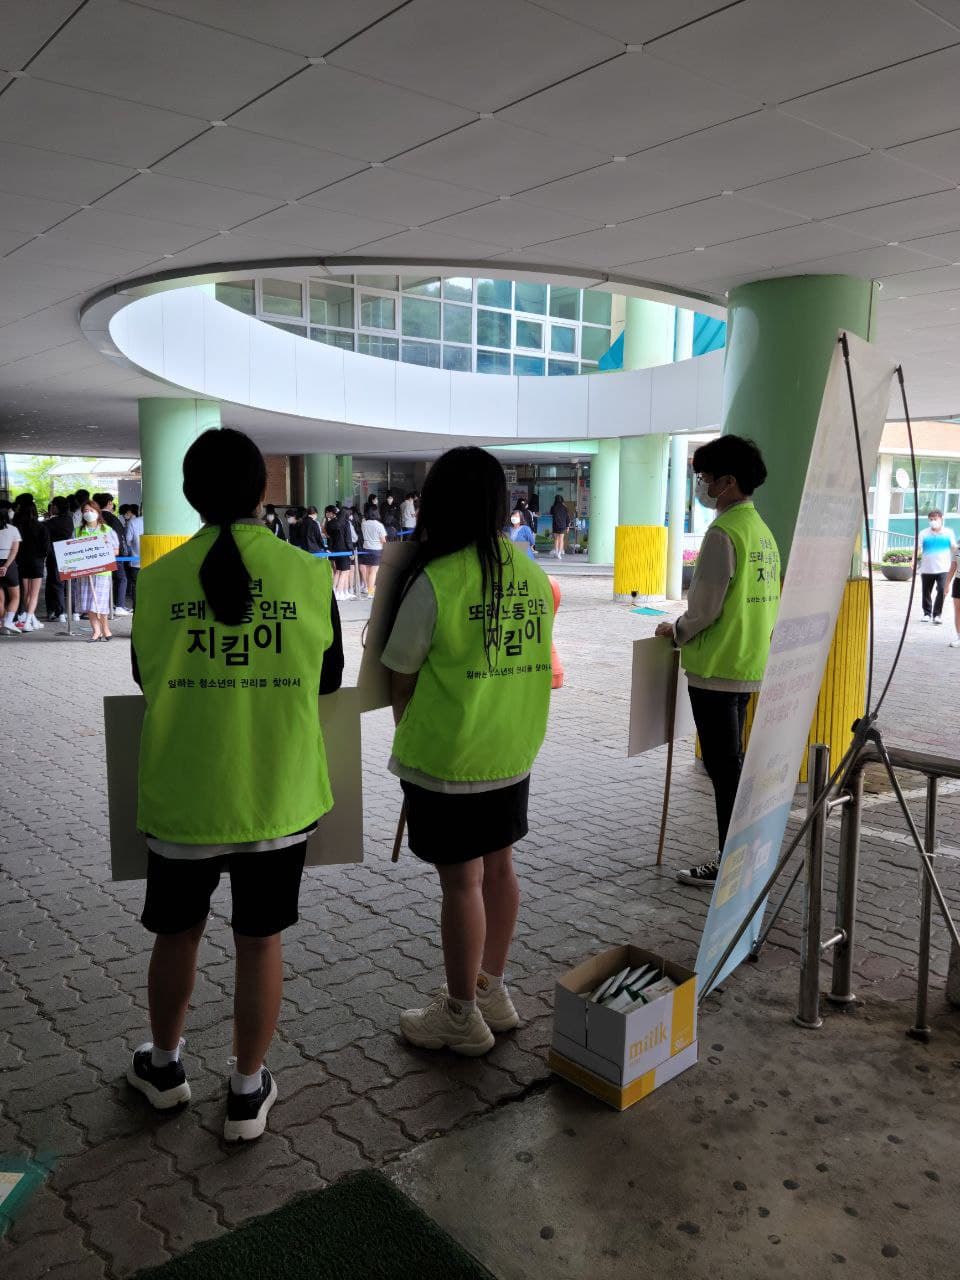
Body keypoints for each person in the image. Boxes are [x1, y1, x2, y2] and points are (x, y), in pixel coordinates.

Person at [128, 428, 343, 1141]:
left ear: (189, 496)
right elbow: (330, 679)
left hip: (184, 797)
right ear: (263, 493)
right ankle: (248, 1091)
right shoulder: (309, 576)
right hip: (276, 797)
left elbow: (142, 675)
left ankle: (163, 1069)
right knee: (260, 942)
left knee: (176, 936)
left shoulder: (156, 579)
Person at [381, 446, 555, 1056]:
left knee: (461, 884)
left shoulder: (437, 579)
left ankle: (459, 1014)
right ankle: (491, 990)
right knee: (501, 870)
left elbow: (401, 674)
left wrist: (409, 734)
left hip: (449, 760)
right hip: (512, 750)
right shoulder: (531, 574)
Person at [654, 435, 780, 887]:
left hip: (716, 670)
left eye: (706, 479)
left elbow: (705, 608)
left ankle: (733, 863)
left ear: (727, 482)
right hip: (748, 664)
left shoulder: (724, 532)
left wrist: (677, 629)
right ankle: (740, 856)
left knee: (725, 770)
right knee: (734, 765)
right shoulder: (760, 531)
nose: (703, 487)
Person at [73, 499, 119, 641]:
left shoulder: (107, 530)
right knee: (88, 603)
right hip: (85, 573)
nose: (88, 513)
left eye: (91, 510)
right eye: (85, 511)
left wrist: (105, 549)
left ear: (97, 512)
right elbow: (71, 551)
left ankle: (106, 629)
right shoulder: (78, 531)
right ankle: (96, 631)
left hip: (102, 572)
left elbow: (116, 550)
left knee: (100, 602)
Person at [13, 499, 50, 632]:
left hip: (21, 562)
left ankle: (32, 619)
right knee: (33, 595)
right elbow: (46, 548)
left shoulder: (17, 527)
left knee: (26, 594)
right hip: (37, 562)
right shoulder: (41, 527)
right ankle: (28, 622)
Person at [94, 493, 131, 615]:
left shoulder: (95, 518)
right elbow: (119, 538)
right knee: (121, 579)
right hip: (115, 554)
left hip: (97, 554)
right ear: (109, 503)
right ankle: (119, 605)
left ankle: (109, 605)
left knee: (104, 580)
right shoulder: (112, 518)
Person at [917, 509, 956, 625]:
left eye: (935, 519)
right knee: (926, 591)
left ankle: (937, 614)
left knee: (942, 590)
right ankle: (927, 613)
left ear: (941, 519)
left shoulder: (948, 532)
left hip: (944, 568)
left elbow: (954, 547)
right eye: (931, 519)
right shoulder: (924, 533)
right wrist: (913, 560)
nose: (933, 521)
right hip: (927, 568)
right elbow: (918, 548)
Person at [44, 496, 74, 621]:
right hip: (68, 554)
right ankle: (72, 611)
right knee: (68, 583)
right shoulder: (69, 519)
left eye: (53, 506)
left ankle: (60, 611)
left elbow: (43, 529)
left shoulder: (52, 522)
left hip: (55, 555)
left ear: (56, 507)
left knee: (56, 583)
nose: (52, 508)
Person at [0, 507, 22, 636]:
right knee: (15, 596)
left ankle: (2, 624)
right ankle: (8, 622)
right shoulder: (13, 529)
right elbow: (14, 551)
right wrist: (6, 566)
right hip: (9, 566)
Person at [360, 507, 387, 597]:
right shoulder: (379, 525)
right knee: (373, 572)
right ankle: (370, 592)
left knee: (368, 571)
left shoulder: (364, 524)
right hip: (376, 550)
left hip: (366, 549)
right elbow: (383, 540)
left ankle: (369, 589)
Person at [125, 504, 143, 609]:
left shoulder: (133, 522)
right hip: (157, 562)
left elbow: (128, 541)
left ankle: (137, 611)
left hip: (136, 562)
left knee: (137, 587)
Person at [550, 494, 570, 559]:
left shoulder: (553, 507)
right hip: (562, 525)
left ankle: (556, 552)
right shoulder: (565, 507)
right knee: (561, 540)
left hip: (555, 525)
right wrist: (567, 526)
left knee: (556, 539)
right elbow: (567, 517)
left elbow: (551, 513)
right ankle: (559, 554)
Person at [948, 542, 960, 648]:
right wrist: (946, 584)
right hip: (958, 581)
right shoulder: (957, 548)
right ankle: (959, 637)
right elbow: (953, 567)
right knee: (958, 610)